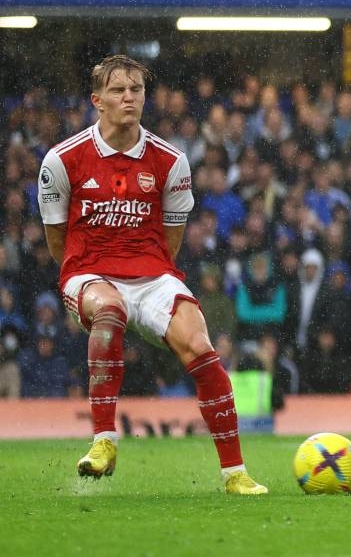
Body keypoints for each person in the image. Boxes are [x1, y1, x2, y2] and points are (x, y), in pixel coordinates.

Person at [36, 55, 267, 494]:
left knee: (200, 346)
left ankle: (235, 473)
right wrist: (81, 279)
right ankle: (104, 440)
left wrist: (151, 283)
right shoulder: (62, 160)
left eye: (136, 90)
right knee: (110, 310)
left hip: (153, 275)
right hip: (89, 273)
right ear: (97, 100)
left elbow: (172, 240)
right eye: (119, 90)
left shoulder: (170, 160)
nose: (129, 97)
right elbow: (56, 240)